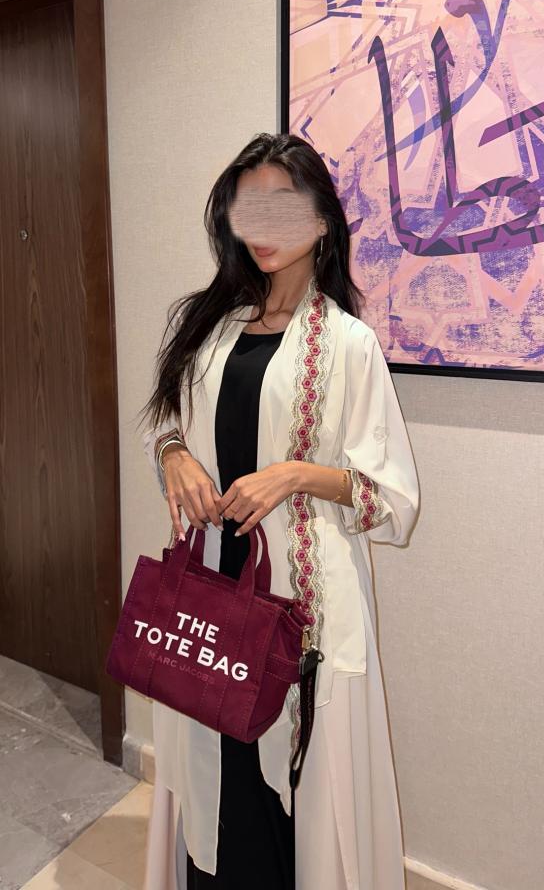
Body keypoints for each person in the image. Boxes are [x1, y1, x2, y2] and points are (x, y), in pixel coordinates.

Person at [138, 132, 420, 890]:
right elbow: (171, 425)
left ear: (322, 221)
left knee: (292, 801)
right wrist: (173, 455)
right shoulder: (210, 329)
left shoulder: (351, 346)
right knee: (217, 787)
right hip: (210, 594)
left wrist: (295, 475)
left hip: (302, 609)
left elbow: (393, 500)